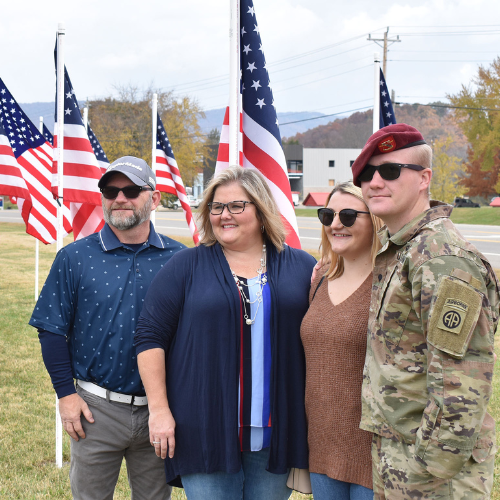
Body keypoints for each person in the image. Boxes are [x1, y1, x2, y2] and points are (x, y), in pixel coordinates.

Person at [134, 166, 316, 500]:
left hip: (277, 436)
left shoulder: (302, 268)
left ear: (261, 211)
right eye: (216, 207)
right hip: (203, 431)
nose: (224, 215)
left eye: (236, 206)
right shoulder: (185, 266)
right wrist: (159, 411)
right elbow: (150, 337)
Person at [351, 123, 500, 499]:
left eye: (390, 171)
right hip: (398, 456)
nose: (375, 183)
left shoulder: (442, 259)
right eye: (367, 174)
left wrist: (427, 471)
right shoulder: (404, 249)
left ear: (424, 179)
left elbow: (460, 386)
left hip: (434, 474)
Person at [29, 156, 186, 500]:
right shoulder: (74, 257)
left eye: (131, 190)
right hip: (95, 410)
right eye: (111, 190)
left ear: (155, 198)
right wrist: (66, 395)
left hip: (160, 410)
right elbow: (51, 329)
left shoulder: (181, 259)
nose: (120, 198)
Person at [300, 181, 382, 500]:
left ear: (374, 220)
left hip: (373, 453)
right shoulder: (319, 278)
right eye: (327, 215)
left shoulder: (391, 282)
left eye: (348, 215)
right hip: (322, 446)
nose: (335, 224)